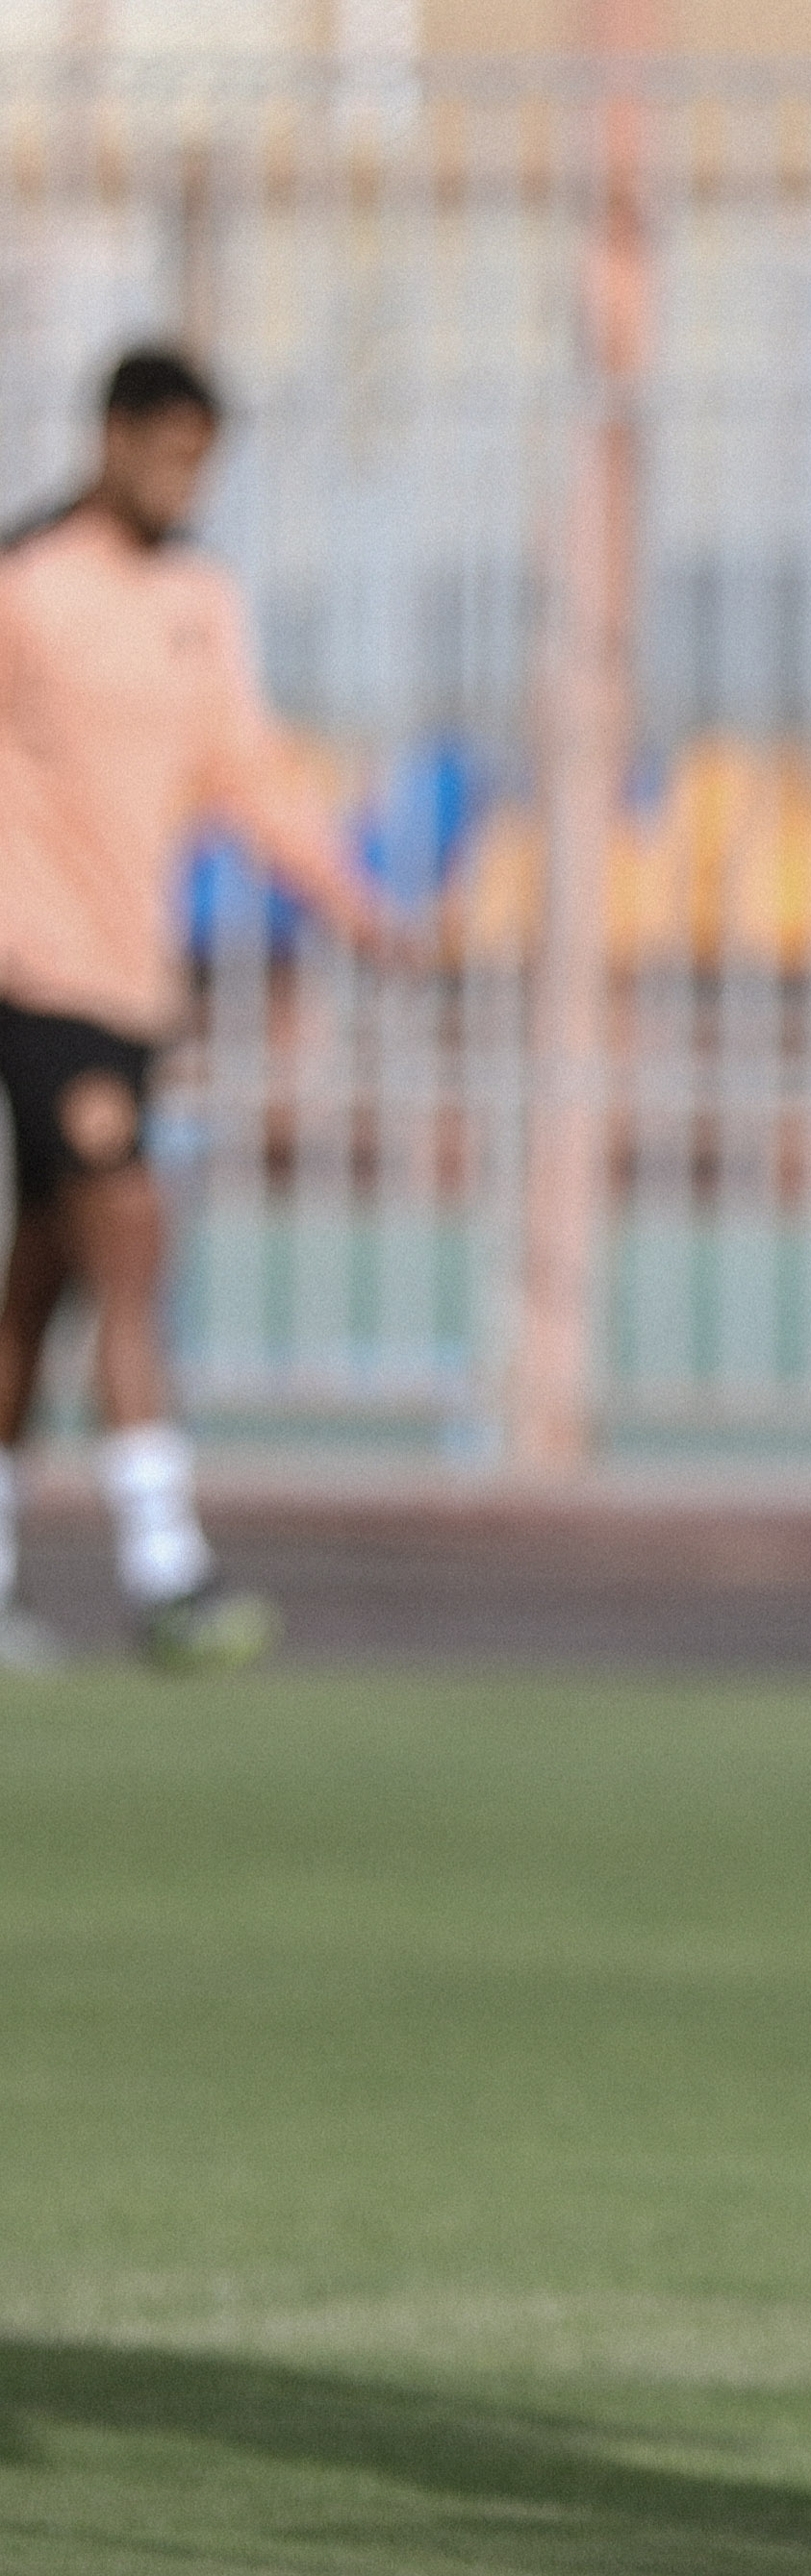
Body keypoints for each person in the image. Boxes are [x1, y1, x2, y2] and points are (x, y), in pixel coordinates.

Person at [0, 345, 403, 1678]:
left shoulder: (199, 599)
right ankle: (165, 1565)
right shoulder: (29, 585)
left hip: (133, 977)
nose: (182, 479)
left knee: (42, 1283)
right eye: (165, 450)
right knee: (131, 1231)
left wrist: (353, 900)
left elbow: (250, 773)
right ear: (111, 438)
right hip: (34, 970)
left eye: (200, 457)